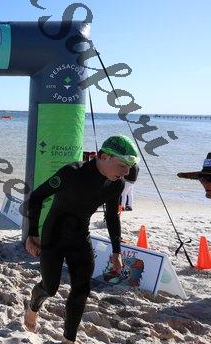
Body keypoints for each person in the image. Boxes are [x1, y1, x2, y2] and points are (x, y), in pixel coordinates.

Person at [24, 135, 140, 343]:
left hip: (80, 238)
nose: (126, 172)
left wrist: (117, 252)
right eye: (122, 166)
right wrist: (32, 235)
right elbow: (37, 196)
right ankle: (33, 307)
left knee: (81, 290)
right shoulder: (72, 173)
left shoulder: (116, 185)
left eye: (129, 167)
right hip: (53, 236)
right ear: (104, 157)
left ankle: (69, 340)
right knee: (50, 288)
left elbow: (112, 217)